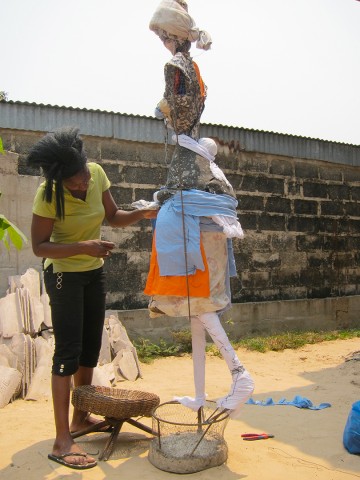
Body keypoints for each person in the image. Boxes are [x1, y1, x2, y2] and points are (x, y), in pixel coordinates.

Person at [146, 0, 255, 418]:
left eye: (161, 32)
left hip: (192, 203)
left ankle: (240, 373)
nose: (159, 40)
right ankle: (198, 393)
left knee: (201, 303)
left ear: (173, 33)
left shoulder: (177, 68)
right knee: (196, 309)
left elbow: (176, 117)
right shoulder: (192, 70)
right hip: (187, 193)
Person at [27, 126, 157, 470]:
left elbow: (113, 216)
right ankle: (61, 439)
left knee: (88, 348)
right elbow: (39, 246)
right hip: (62, 276)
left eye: (84, 176)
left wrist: (143, 213)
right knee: (67, 352)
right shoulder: (47, 193)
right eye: (76, 183)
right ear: (60, 181)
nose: (83, 184)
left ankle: (79, 419)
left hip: (92, 272)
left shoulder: (96, 173)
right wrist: (84, 246)